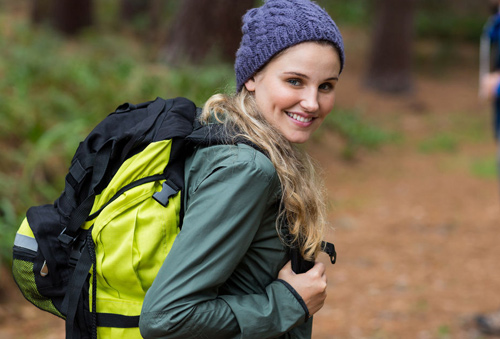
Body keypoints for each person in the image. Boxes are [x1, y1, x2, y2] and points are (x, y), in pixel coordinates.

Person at [139, 0, 344, 338]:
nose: (312, 102)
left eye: (326, 86)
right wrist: (290, 301)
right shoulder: (246, 168)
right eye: (295, 81)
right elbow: (166, 317)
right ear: (251, 77)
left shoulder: (232, 138)